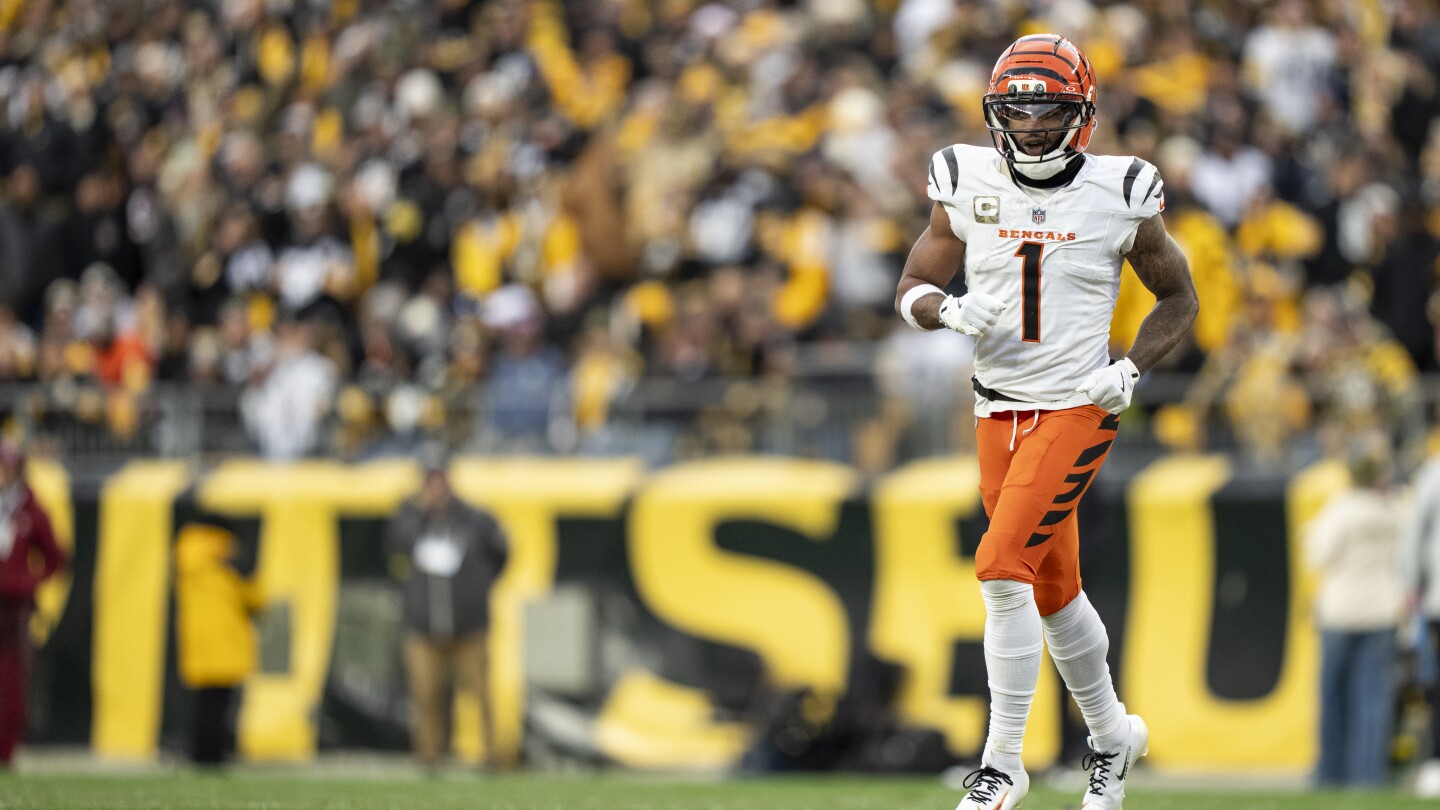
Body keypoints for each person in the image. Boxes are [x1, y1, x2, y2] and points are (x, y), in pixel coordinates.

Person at [893, 34, 1198, 810]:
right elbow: (913, 283)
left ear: (1081, 115)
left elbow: (1179, 297)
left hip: (1077, 403)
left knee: (1001, 568)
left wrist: (1130, 368)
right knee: (1056, 591)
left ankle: (1003, 763)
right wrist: (944, 310)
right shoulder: (962, 176)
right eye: (1018, 112)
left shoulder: (1121, 190)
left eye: (1048, 111)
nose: (1030, 127)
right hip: (994, 407)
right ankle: (1113, 736)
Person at [388, 447, 510, 771]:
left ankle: (492, 755)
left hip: (469, 624)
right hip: (423, 625)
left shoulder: (476, 519)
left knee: (481, 693)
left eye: (439, 479)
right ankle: (430, 757)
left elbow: (501, 556)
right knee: (426, 694)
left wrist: (476, 589)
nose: (435, 487)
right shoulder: (410, 520)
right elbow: (395, 556)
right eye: (429, 480)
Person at [1305, 442, 1403, 788]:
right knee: (1372, 700)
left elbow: (1319, 555)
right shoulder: (1394, 509)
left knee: (1333, 697)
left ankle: (1330, 773)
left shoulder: (1343, 508)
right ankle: (1369, 775)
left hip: (1341, 611)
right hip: (1382, 611)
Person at [174, 512, 262, 767]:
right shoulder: (230, 558)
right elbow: (257, 601)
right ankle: (213, 754)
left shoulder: (186, 555)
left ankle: (198, 752)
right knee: (219, 705)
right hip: (228, 642)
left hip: (198, 642)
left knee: (202, 704)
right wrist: (249, 577)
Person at [0, 440, 67, 769]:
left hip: (12, 611)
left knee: (11, 681)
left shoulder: (29, 509)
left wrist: (24, 583)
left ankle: (6, 750)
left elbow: (56, 558)